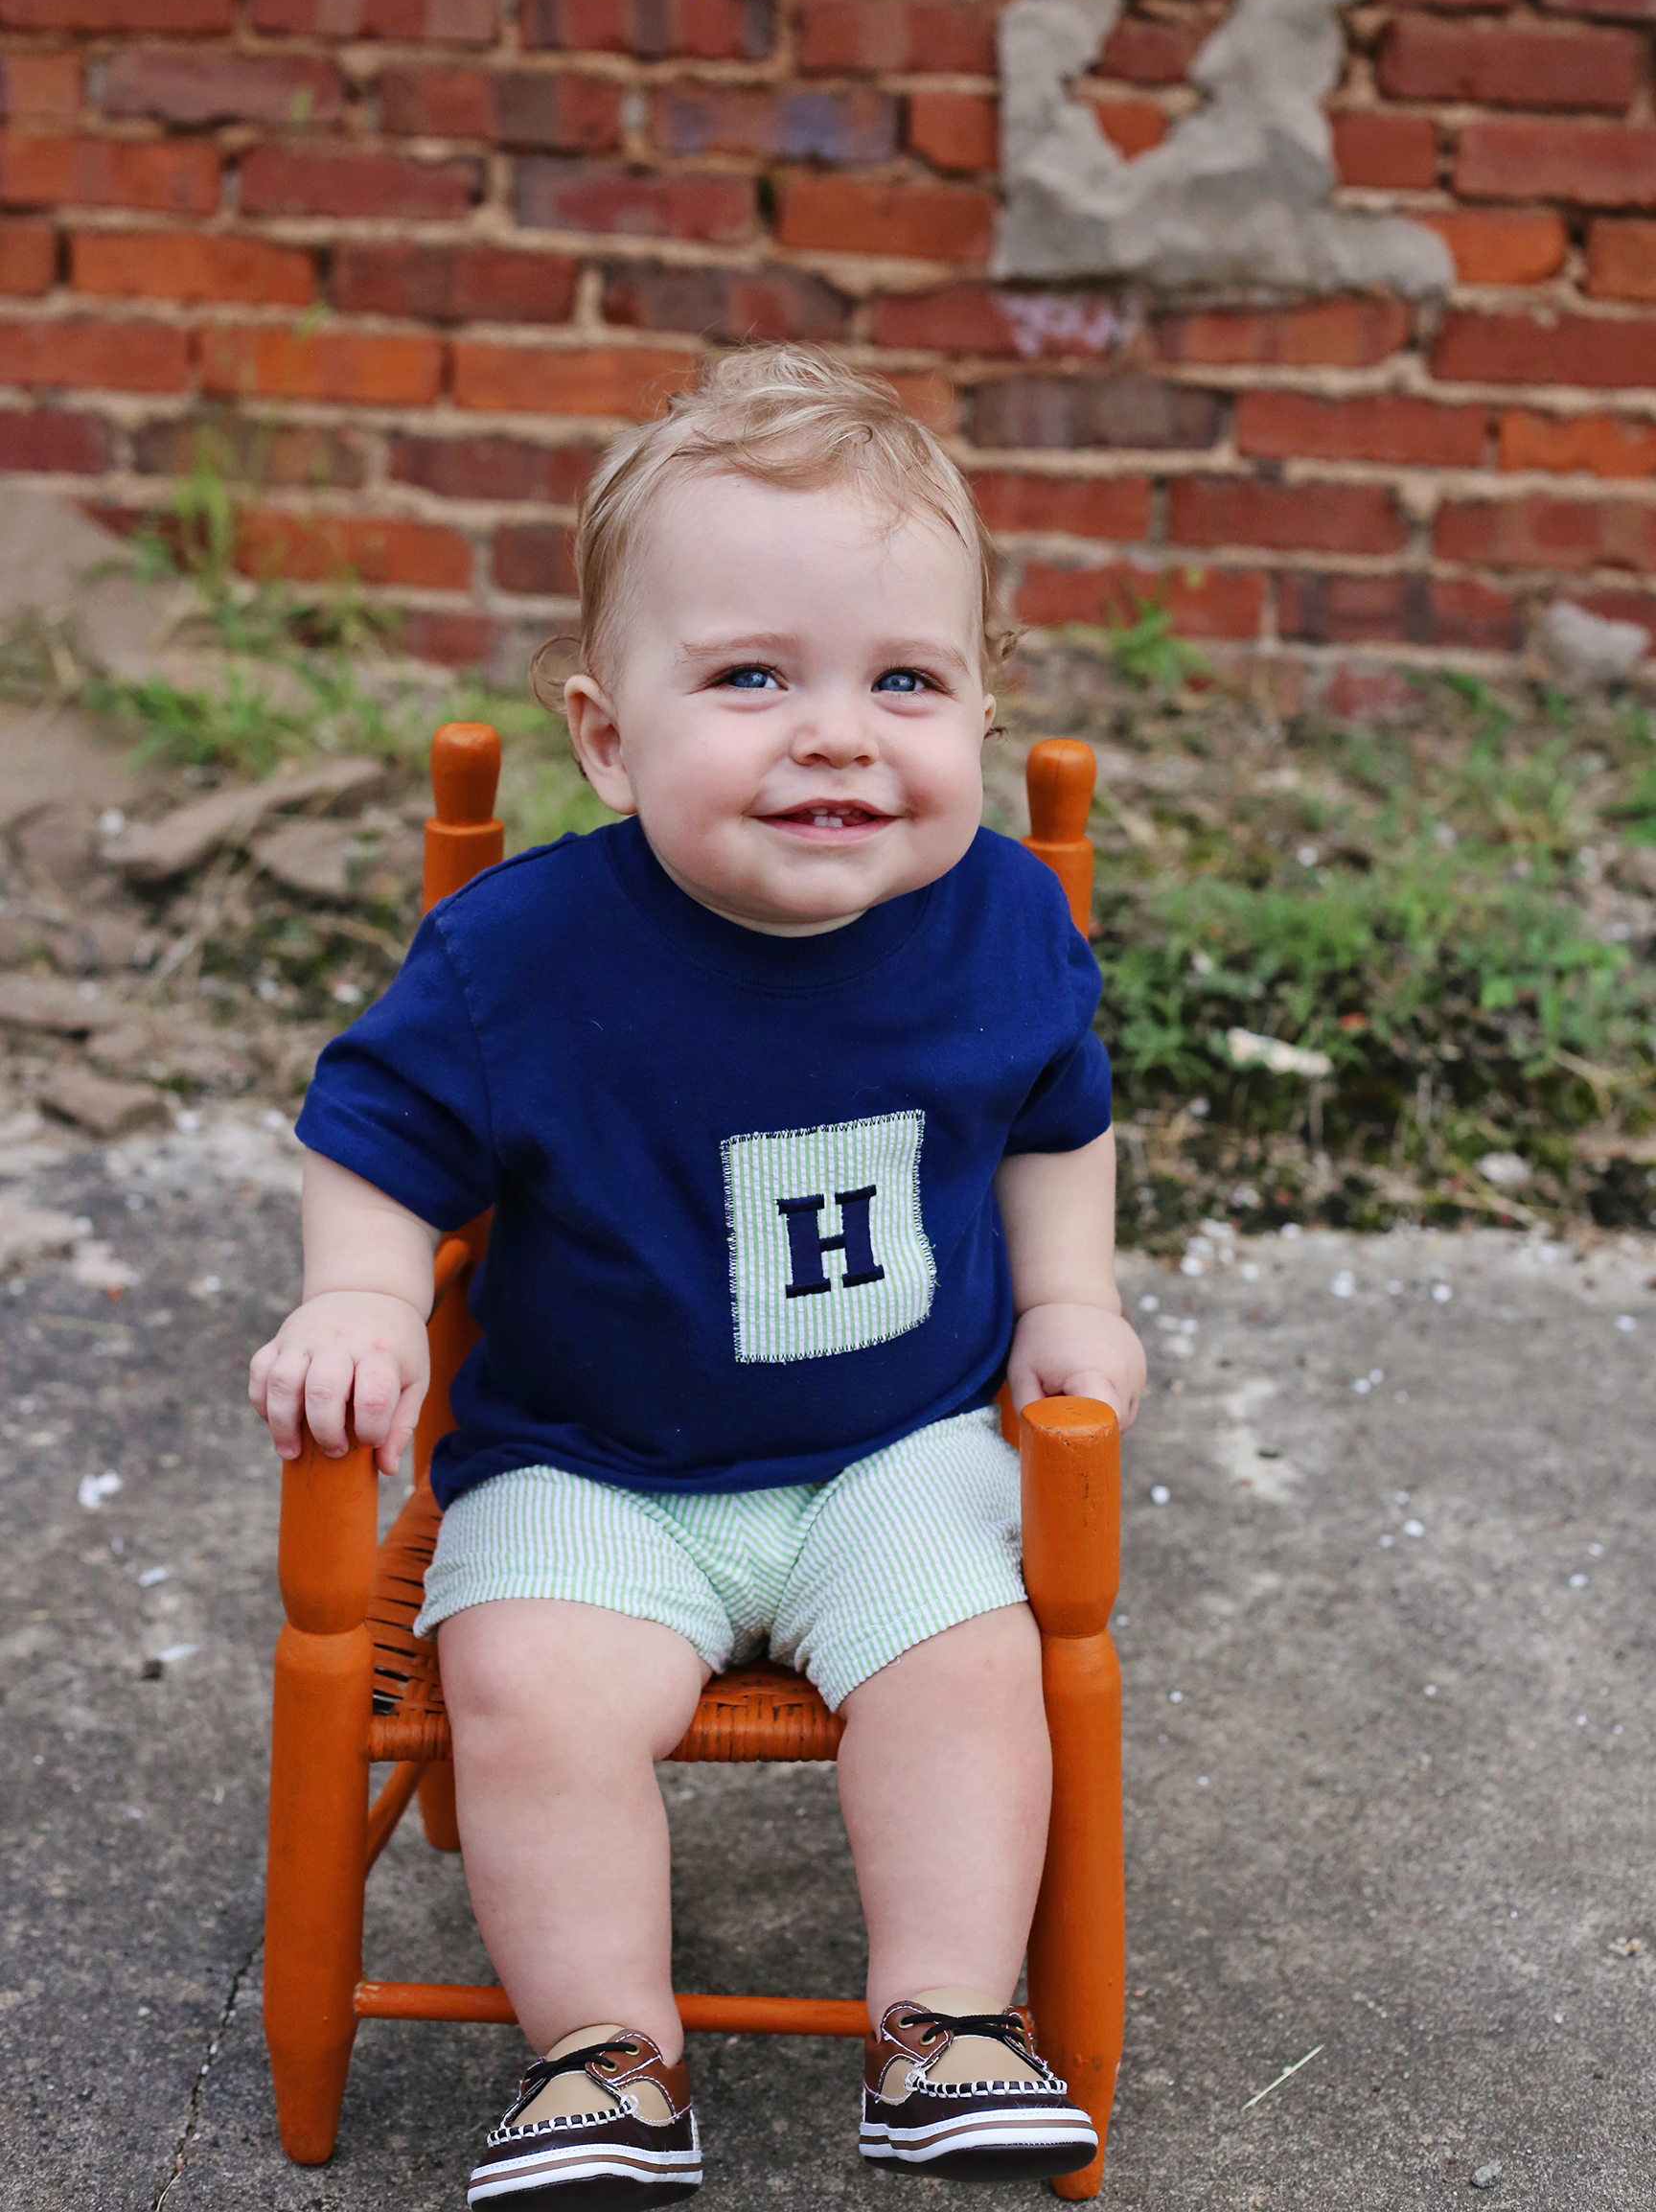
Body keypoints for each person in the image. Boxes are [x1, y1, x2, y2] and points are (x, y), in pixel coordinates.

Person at [249, 346, 1145, 2206]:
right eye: (751, 678)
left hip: (893, 1449)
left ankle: (947, 2022)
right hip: (591, 1466)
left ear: (985, 707)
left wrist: (1072, 1298)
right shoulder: (525, 957)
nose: (838, 735)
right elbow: (376, 1130)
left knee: (971, 1669)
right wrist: (360, 1297)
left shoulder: (999, 921)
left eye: (905, 681)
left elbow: (1060, 1117)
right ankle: (604, 2055)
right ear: (607, 736)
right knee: (526, 1692)